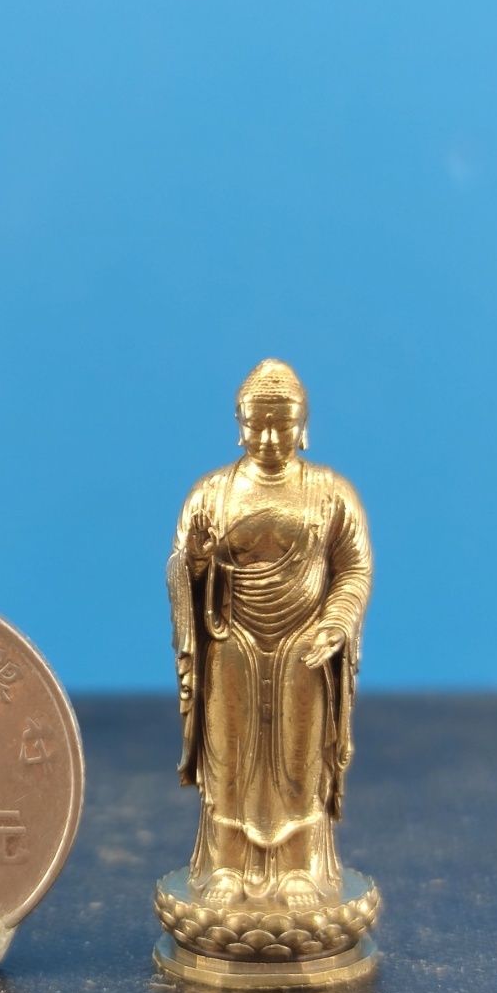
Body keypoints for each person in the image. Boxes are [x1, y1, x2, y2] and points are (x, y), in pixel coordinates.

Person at [167, 359, 372, 910]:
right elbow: (182, 566)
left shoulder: (330, 493)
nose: (270, 439)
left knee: (300, 757)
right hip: (230, 641)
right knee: (228, 757)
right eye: (257, 425)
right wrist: (197, 561)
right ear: (239, 424)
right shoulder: (211, 493)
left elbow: (354, 568)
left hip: (305, 646)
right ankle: (225, 865)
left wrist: (335, 622)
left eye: (283, 425)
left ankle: (301, 866)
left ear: (304, 425)